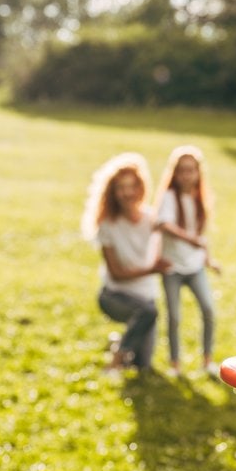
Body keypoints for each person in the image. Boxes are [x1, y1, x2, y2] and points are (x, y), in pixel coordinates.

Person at [81, 153, 171, 374]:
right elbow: (117, 273)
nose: (127, 193)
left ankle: (119, 343)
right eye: (121, 187)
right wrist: (152, 270)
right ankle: (115, 362)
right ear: (112, 192)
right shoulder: (107, 225)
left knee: (143, 365)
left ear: (141, 187)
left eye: (132, 186)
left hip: (146, 296)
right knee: (148, 312)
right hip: (114, 296)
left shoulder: (152, 219)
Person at [155, 146, 221, 377]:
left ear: (198, 172)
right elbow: (164, 224)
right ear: (175, 173)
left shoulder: (199, 198)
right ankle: (175, 364)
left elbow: (200, 237)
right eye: (182, 170)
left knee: (209, 309)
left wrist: (209, 260)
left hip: (194, 266)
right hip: (172, 267)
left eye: (191, 170)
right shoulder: (169, 197)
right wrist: (190, 239)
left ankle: (207, 360)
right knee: (174, 316)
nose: (186, 175)